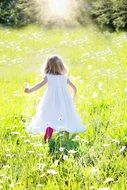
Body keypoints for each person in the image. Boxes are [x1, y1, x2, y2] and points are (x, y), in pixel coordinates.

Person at [24, 55, 86, 142]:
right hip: (64, 100)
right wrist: (73, 96)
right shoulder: (64, 77)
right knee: (64, 114)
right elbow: (74, 88)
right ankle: (64, 131)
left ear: (48, 66)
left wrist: (30, 90)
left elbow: (39, 85)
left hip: (50, 100)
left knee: (50, 114)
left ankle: (49, 129)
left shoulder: (48, 76)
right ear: (61, 66)